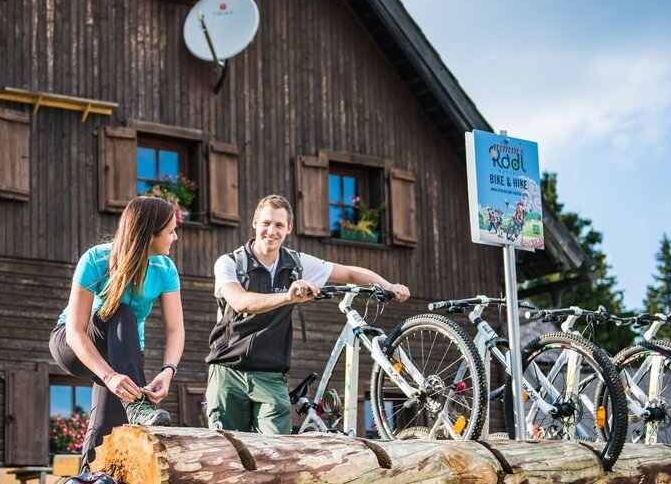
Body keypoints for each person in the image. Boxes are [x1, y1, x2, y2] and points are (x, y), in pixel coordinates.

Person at [205, 194, 410, 435]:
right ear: (255, 223)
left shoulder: (296, 263)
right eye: (266, 223)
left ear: (289, 228)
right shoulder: (230, 263)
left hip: (271, 376)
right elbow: (240, 302)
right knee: (227, 451)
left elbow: (349, 274)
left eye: (279, 225)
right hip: (228, 373)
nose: (272, 231)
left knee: (277, 452)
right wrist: (288, 297)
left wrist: (388, 285)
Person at [50, 196, 184, 468]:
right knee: (121, 311)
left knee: (105, 431)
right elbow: (75, 332)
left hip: (121, 355)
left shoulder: (165, 269)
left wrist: (168, 371)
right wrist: (109, 377)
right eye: (170, 231)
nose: (175, 237)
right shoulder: (96, 260)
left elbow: (175, 330)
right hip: (73, 343)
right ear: (149, 234)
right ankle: (137, 406)